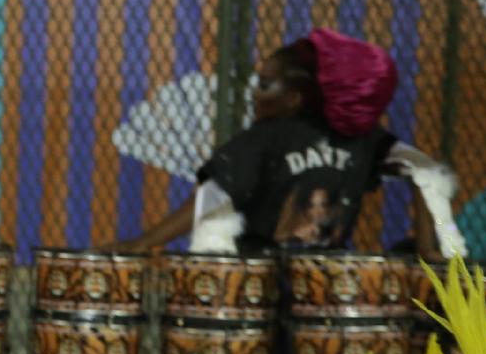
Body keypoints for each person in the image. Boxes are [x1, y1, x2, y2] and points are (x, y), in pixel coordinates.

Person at [108, 30, 465, 259]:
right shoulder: (363, 140)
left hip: (259, 285)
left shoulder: (268, 137)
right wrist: (429, 247)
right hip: (323, 289)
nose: (254, 93)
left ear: (294, 97)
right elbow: (427, 172)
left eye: (264, 84)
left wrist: (146, 241)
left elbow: (214, 195)